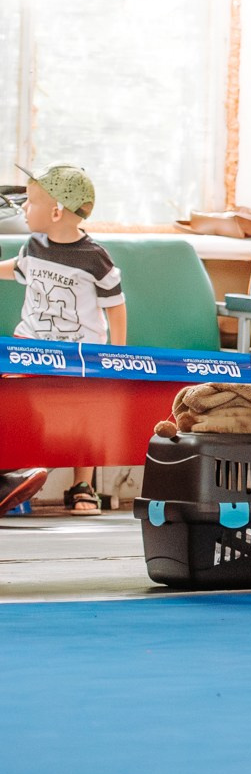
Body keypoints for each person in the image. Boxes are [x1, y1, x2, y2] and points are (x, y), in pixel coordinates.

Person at [1, 164, 126, 513]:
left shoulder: (94, 257)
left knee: (83, 416)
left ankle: (81, 484)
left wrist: (117, 352)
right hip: (29, 346)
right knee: (13, 404)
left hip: (78, 354)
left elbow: (115, 305)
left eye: (31, 202)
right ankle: (14, 474)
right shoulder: (34, 245)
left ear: (56, 211)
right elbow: (17, 268)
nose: (24, 208)